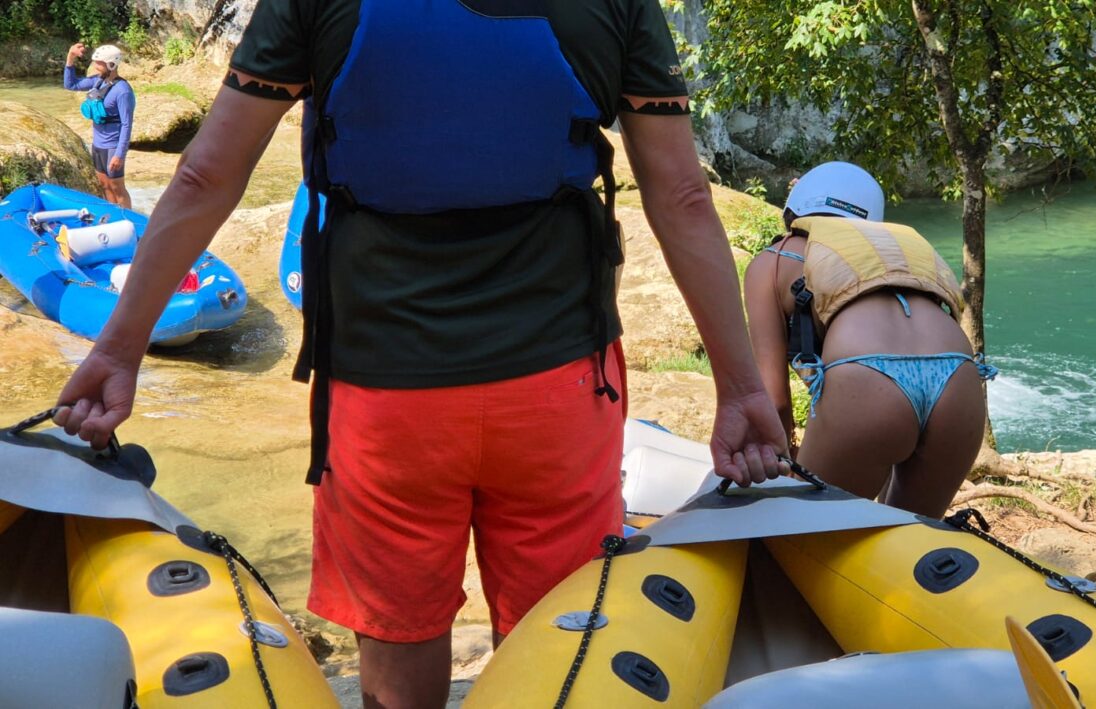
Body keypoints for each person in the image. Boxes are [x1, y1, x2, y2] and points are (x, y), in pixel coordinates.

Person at [53, 2, 788, 707]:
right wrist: (742, 388)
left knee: (397, 671)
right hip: (558, 390)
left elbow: (206, 174)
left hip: (382, 398)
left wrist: (120, 351)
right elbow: (683, 195)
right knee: (560, 652)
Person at [744, 162, 997, 518]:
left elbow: (774, 402)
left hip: (866, 375)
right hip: (959, 377)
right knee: (908, 540)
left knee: (804, 541)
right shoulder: (895, 250)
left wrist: (784, 462)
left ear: (793, 213)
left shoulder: (775, 259)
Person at [64, 43, 135, 209]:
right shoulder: (98, 81)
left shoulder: (123, 91)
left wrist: (119, 154)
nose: (95, 67)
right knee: (105, 185)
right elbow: (71, 85)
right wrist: (70, 58)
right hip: (98, 145)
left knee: (117, 187)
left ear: (111, 64)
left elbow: (126, 124)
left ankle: (128, 220)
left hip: (112, 146)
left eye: (99, 63)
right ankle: (113, 218)